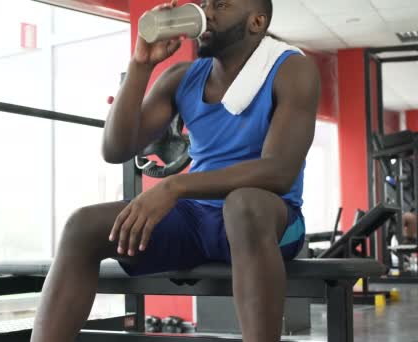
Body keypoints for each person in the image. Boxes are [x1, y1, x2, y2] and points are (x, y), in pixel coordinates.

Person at [30, 0, 320, 341]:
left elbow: (279, 171)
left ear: (256, 22)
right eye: (204, 3)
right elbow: (116, 148)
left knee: (244, 206)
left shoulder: (292, 69)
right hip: (197, 219)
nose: (206, 12)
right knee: (83, 226)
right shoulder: (182, 77)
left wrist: (174, 188)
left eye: (221, 6)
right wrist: (140, 64)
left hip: (270, 221)